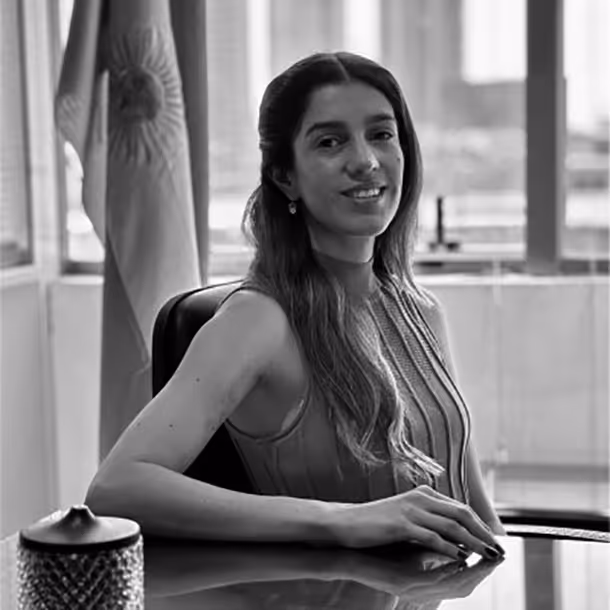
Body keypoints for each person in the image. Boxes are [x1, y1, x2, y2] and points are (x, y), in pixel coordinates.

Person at [86, 51, 506, 560]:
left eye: (381, 134)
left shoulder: (422, 311)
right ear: (286, 175)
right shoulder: (257, 319)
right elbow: (116, 488)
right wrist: (342, 521)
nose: (365, 160)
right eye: (330, 141)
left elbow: (478, 514)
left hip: (448, 590)